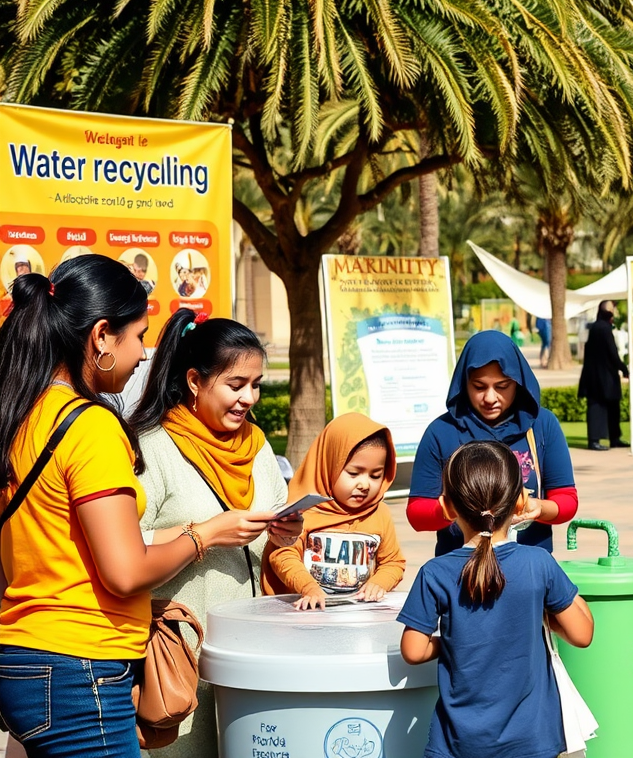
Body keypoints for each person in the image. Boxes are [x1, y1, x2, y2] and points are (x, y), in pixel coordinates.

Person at [0, 256, 285, 758]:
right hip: (80, 664)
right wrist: (204, 535)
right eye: (138, 337)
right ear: (103, 336)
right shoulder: (89, 426)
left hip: (28, 654)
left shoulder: (24, 413)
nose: (143, 355)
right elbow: (126, 571)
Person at [129, 308, 303, 758]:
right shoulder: (153, 446)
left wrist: (284, 533)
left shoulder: (258, 444)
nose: (249, 398)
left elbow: (269, 531)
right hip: (177, 655)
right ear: (194, 381)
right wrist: (206, 532)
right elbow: (126, 547)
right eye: (235, 384)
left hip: (247, 655)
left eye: (256, 385)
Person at [398, 440, 594, 758]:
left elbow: (413, 650)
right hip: (531, 741)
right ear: (520, 502)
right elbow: (582, 634)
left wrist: (453, 638)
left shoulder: (434, 572)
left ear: (447, 507)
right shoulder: (538, 563)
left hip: (457, 744)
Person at [408, 330, 578, 555]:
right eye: (479, 387)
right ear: (463, 383)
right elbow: (417, 514)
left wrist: (538, 507)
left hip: (528, 566)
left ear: (518, 382)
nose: (490, 398)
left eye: (502, 386)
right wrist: (452, 509)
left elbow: (566, 500)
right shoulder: (441, 432)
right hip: (460, 568)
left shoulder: (542, 425)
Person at [262, 413, 406, 610]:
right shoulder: (304, 511)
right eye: (354, 473)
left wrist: (380, 583)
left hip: (357, 617)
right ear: (329, 465)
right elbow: (283, 554)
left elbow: (393, 562)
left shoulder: (380, 513)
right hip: (306, 617)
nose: (364, 484)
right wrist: (308, 587)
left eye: (376, 475)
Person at [578, 299, 629, 451]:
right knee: (597, 407)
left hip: (600, 375)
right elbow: (612, 352)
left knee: (612, 406)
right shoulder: (604, 329)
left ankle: (614, 438)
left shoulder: (597, 327)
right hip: (601, 376)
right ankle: (594, 440)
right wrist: (623, 368)